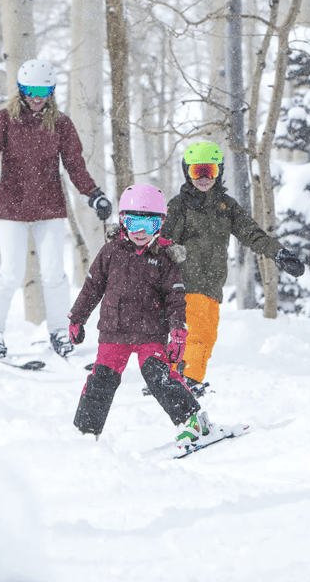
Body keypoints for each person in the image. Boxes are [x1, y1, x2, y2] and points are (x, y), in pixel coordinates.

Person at [0, 58, 112, 359]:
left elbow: (75, 166)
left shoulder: (61, 124)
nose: (37, 97)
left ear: (52, 91)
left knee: (54, 273)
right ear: (21, 90)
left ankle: (60, 331)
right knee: (10, 272)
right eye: (31, 90)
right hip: (11, 206)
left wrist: (94, 195)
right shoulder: (4, 119)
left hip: (49, 207)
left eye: (44, 90)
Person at [160, 141, 305, 395]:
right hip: (185, 283)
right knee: (192, 335)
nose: (204, 179)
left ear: (219, 172)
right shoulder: (179, 205)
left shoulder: (226, 206)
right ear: (187, 172)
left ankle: (187, 381)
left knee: (207, 338)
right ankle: (179, 381)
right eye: (197, 172)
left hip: (212, 286)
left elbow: (251, 233)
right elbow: (163, 240)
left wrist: (278, 253)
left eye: (210, 171)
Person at [68, 184, 209, 443]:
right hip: (114, 331)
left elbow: (175, 299)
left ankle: (190, 418)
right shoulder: (110, 253)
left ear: (161, 224)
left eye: (150, 224)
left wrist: (178, 332)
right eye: (133, 223)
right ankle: (87, 431)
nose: (141, 232)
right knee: (102, 380)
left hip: (151, 333)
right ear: (122, 222)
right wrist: (77, 317)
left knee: (160, 378)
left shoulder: (166, 258)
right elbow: (91, 287)